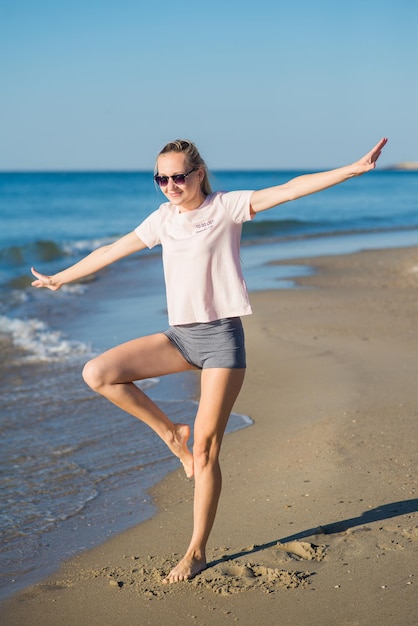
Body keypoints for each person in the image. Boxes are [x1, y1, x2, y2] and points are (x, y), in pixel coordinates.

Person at [31, 136, 388, 584]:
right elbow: (111, 250)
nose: (170, 185)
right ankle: (170, 434)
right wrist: (60, 278)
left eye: (179, 176)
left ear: (199, 173)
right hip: (180, 337)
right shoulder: (162, 219)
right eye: (161, 178)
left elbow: (290, 189)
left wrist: (352, 169)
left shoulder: (227, 207)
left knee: (207, 449)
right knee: (98, 372)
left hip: (222, 341)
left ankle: (196, 551)